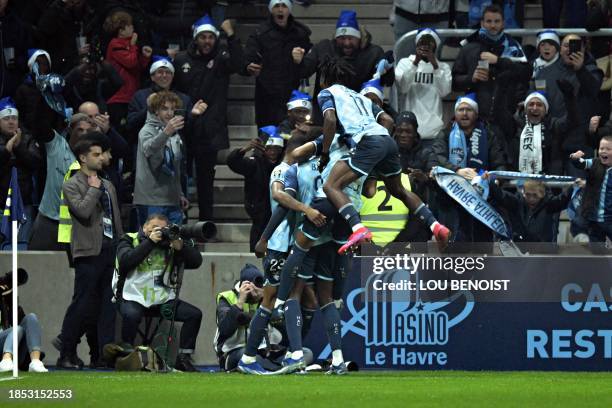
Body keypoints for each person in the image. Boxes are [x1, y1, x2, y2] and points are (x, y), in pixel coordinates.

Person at [315, 57, 449, 253]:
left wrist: (325, 153)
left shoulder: (326, 92)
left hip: (368, 142)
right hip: (387, 141)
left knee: (331, 185)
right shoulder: (359, 96)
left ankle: (358, 228)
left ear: (324, 78)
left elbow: (329, 119)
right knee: (398, 191)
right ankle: (436, 226)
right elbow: (387, 120)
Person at [57, 134, 124, 369]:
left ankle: (101, 355)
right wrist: (93, 190)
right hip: (87, 252)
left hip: (109, 250)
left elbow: (115, 219)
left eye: (101, 154)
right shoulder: (71, 184)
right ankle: (66, 352)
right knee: (82, 304)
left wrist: (121, 244)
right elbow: (83, 212)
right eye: (95, 155)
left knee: (106, 306)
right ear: (83, 158)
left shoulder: (108, 185)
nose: (100, 158)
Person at [172, 15, 246, 221]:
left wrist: (231, 36)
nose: (207, 41)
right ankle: (181, 223)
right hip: (184, 127)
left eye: (210, 37)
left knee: (206, 179)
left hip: (210, 130)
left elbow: (240, 64)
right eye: (203, 37)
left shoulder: (222, 59)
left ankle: (206, 222)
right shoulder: (181, 60)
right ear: (196, 38)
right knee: (180, 177)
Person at [114, 213, 203, 372]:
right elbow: (125, 261)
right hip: (132, 296)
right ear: (144, 227)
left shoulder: (169, 243)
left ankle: (183, 358)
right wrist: (149, 242)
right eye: (155, 228)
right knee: (132, 315)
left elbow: (196, 261)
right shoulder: (129, 239)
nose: (159, 232)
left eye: (162, 229)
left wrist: (180, 246)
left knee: (194, 314)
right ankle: (126, 354)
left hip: (161, 299)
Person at [292, 10, 392, 124]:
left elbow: (385, 82)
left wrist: (388, 69)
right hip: (326, 115)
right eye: (342, 38)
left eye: (350, 38)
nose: (346, 43)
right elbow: (304, 72)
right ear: (335, 38)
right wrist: (298, 62)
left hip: (359, 116)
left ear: (359, 38)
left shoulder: (373, 53)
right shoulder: (324, 48)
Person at [133, 90, 207, 226]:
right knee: (153, 241)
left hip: (172, 199)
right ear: (156, 111)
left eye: (173, 109)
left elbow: (175, 167)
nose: (169, 113)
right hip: (151, 199)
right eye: (164, 109)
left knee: (174, 242)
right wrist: (166, 133)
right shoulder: (147, 130)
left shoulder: (174, 133)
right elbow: (149, 150)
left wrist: (180, 194)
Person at [534, 33, 603, 177]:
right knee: (552, 191)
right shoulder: (545, 73)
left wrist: (580, 69)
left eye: (575, 46)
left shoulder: (592, 71)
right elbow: (536, 99)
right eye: (566, 45)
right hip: (551, 143)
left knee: (578, 190)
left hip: (580, 143)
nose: (569, 49)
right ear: (560, 49)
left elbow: (593, 90)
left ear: (583, 49)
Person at [451, 4, 530, 121]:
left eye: (497, 21)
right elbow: (454, 83)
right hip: (476, 117)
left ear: (503, 23)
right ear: (482, 23)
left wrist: (499, 61)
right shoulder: (469, 48)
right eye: (489, 21)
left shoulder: (514, 46)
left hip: (506, 115)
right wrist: (470, 78)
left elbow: (526, 73)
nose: (493, 25)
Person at [244, 0, 312, 128]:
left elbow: (308, 66)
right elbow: (248, 58)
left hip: (292, 93)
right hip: (266, 95)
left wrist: (301, 60)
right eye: (276, 6)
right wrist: (248, 66)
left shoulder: (301, 33)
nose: (280, 10)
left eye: (284, 6)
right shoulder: (260, 33)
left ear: (289, 9)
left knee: (290, 139)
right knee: (267, 139)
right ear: (271, 9)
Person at [226, 127, 284, 252]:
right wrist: (245, 148)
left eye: (276, 149)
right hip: (259, 210)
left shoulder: (284, 165)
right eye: (269, 148)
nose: (272, 152)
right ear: (263, 149)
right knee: (259, 235)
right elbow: (232, 161)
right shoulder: (254, 163)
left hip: (279, 209)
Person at [487, 178, 579, 252]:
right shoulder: (517, 202)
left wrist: (574, 186)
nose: (531, 198)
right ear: (523, 192)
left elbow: (564, 198)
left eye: (535, 195)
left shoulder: (550, 204)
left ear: (542, 193)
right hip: (520, 250)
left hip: (543, 251)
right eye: (528, 195)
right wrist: (488, 181)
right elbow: (501, 195)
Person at [394, 28, 452, 147]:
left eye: (429, 44)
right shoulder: (405, 63)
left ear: (435, 47)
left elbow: (444, 92)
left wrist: (434, 65)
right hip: (409, 128)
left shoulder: (443, 67)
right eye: (422, 43)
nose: (425, 47)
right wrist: (415, 63)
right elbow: (403, 88)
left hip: (434, 129)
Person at [0, 97, 42, 247]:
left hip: (24, 204)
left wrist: (18, 148)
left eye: (14, 118)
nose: (11, 122)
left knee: (22, 246)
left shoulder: (28, 139)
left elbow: (35, 163)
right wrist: (6, 150)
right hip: (1, 205)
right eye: (6, 118)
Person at [104, 9, 153, 135]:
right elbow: (130, 62)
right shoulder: (115, 44)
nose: (132, 28)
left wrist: (145, 57)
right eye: (129, 25)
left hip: (130, 96)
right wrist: (132, 46)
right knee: (122, 131)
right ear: (121, 30)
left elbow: (136, 68)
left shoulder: (128, 44)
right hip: (119, 98)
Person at [215, 264, 268, 372]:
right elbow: (224, 329)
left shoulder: (264, 297)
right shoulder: (226, 297)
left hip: (261, 350)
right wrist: (240, 301)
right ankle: (271, 365)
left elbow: (278, 325)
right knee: (249, 355)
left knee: (305, 353)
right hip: (232, 352)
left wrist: (264, 300)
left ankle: (268, 363)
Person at [127, 55, 192, 140]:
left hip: (175, 148)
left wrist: (193, 116)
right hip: (147, 146)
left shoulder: (184, 99)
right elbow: (130, 125)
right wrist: (149, 109)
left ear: (172, 77)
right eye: (160, 72)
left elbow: (189, 132)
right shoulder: (140, 96)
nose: (164, 75)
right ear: (152, 77)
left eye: (168, 72)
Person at [570, 135, 612, 246]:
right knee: (596, 251)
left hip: (610, 219)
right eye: (601, 148)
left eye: (608, 149)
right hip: (593, 218)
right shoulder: (594, 163)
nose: (603, 151)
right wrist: (575, 157)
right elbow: (581, 163)